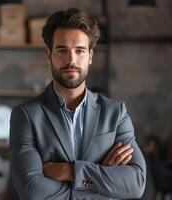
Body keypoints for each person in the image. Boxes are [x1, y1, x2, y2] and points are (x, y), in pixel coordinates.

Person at [9, 8, 146, 200]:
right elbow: (32, 191)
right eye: (62, 50)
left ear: (90, 56)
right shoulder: (26, 115)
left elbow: (136, 184)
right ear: (49, 54)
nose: (71, 60)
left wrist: (71, 172)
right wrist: (103, 177)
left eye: (79, 51)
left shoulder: (115, 113)